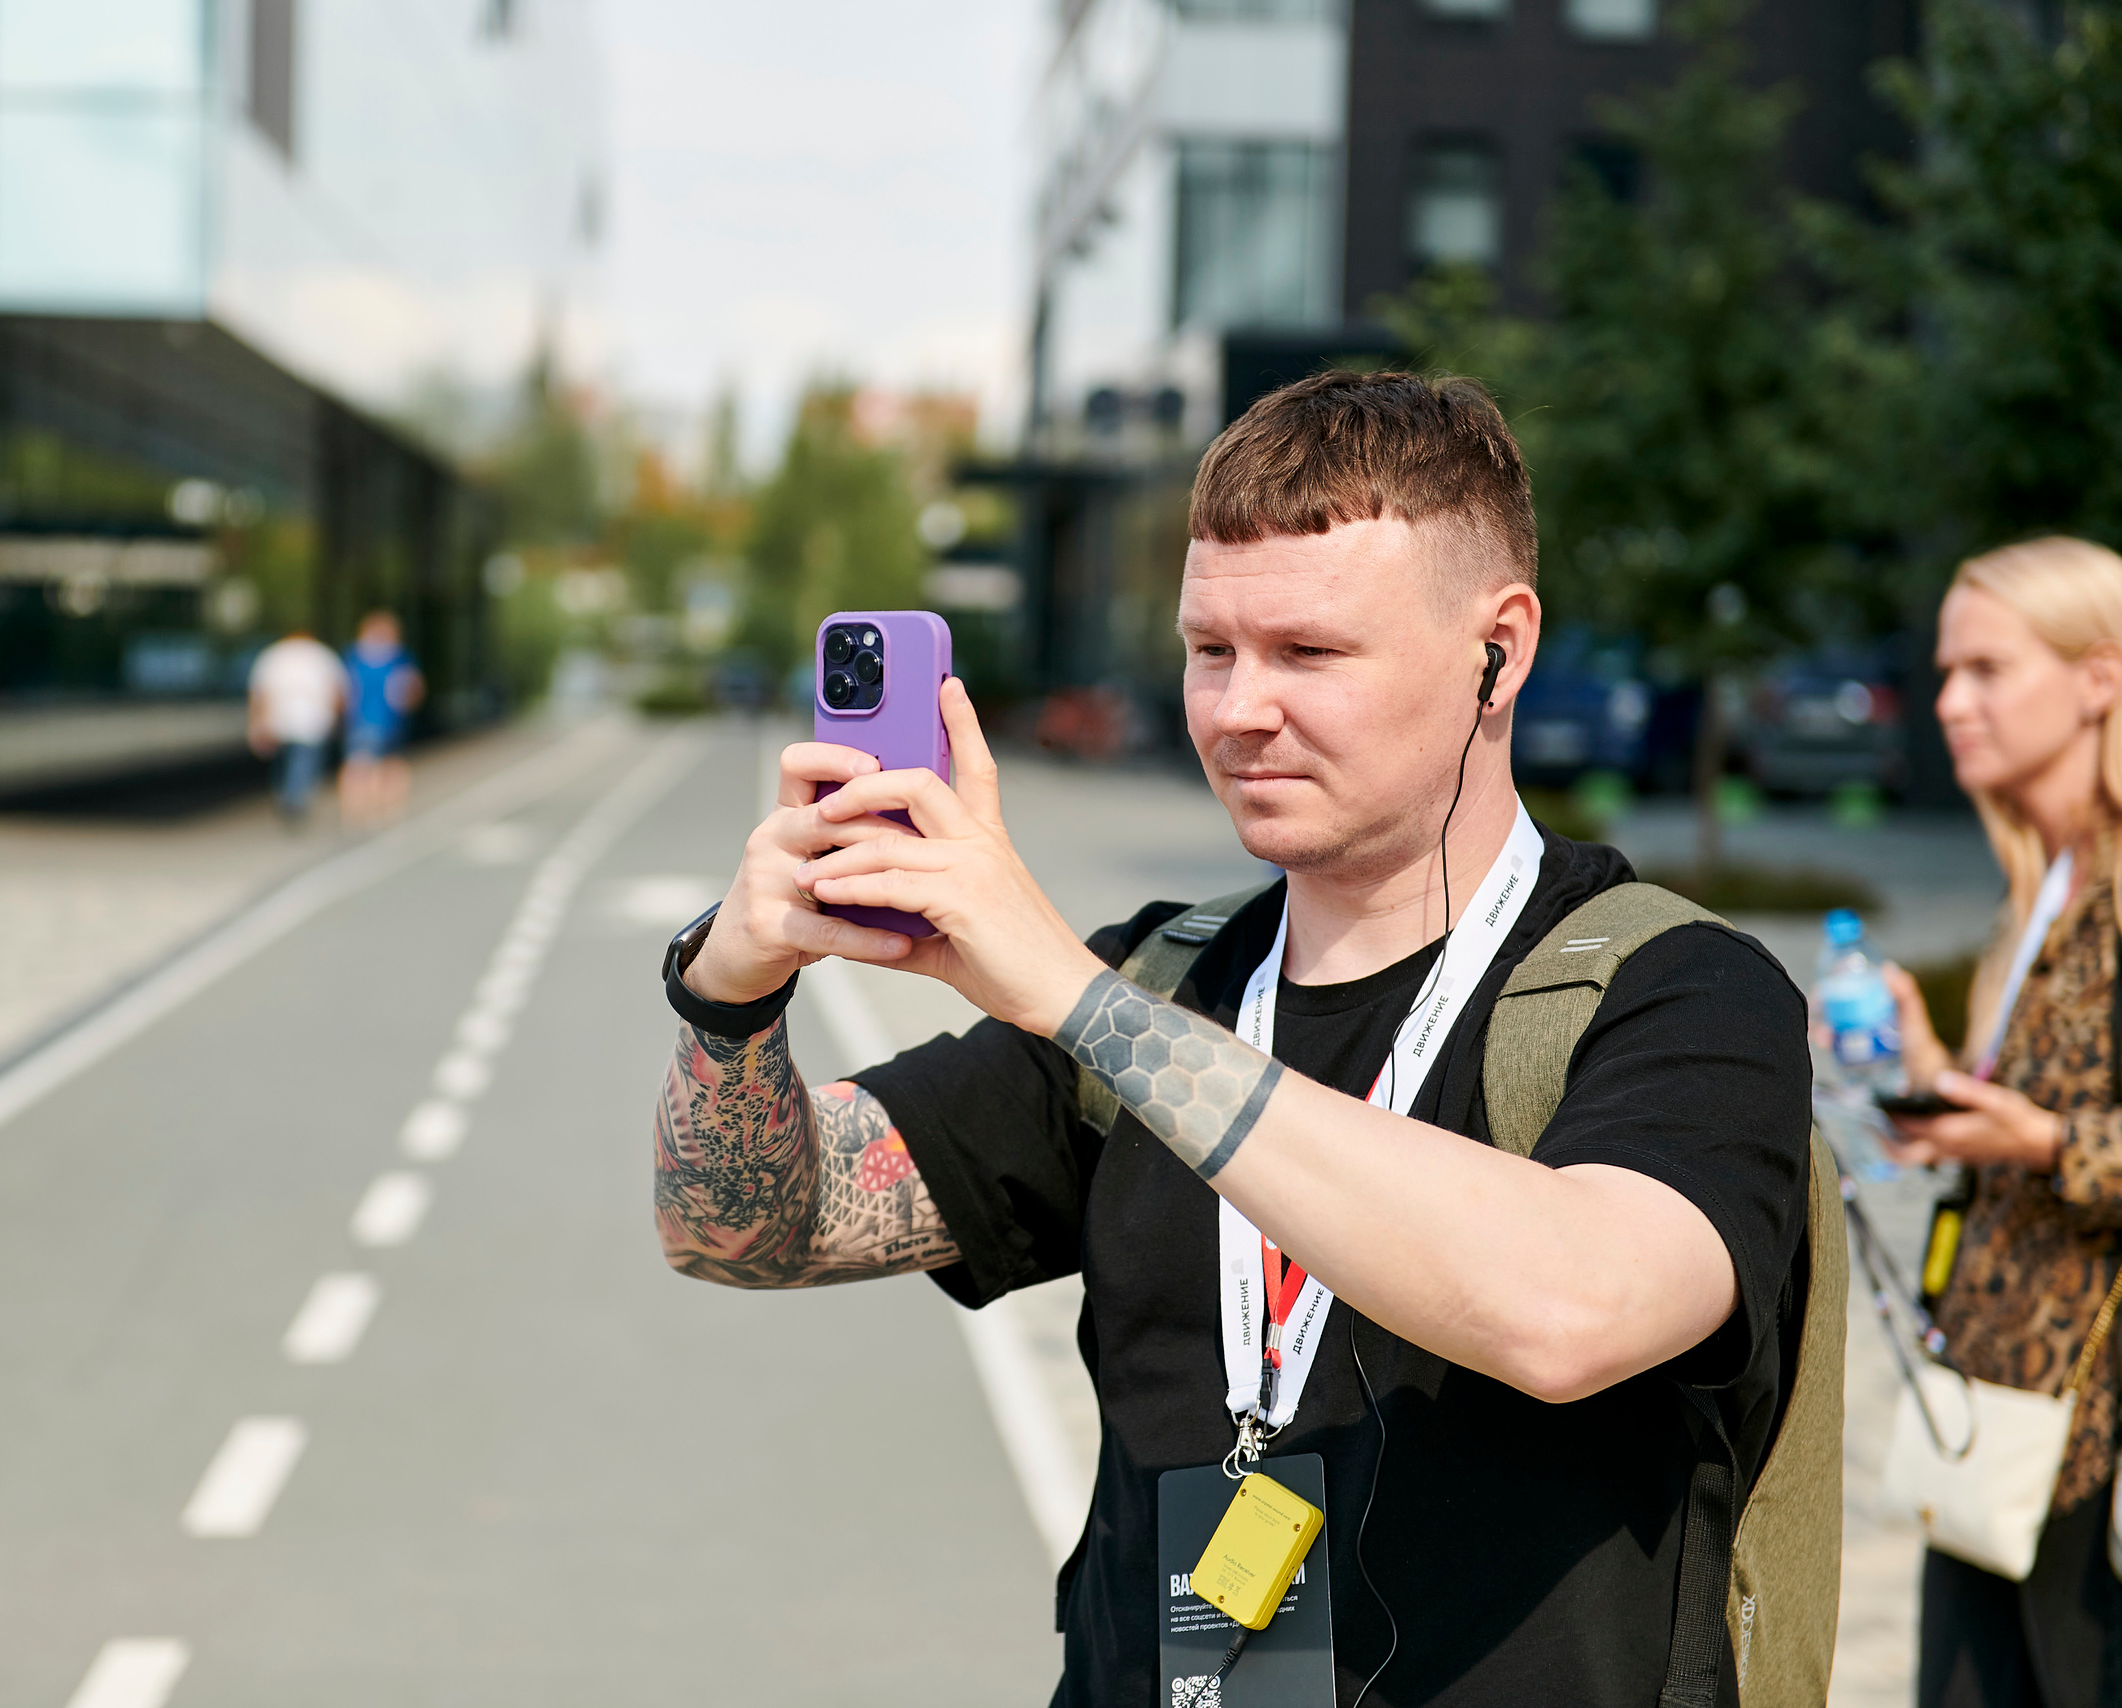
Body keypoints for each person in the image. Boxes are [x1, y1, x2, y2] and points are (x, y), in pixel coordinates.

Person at [649, 372, 1815, 1705]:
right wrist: (729, 996)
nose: (1237, 710)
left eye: (1310, 654)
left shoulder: (1680, 993)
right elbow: (745, 1230)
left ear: (1501, 649)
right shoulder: (1163, 974)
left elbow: (1572, 1311)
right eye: (1212, 650)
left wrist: (1080, 1002)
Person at [1885, 536, 2122, 1708]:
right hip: (1989, 1400)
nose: (1948, 701)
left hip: (2094, 1446)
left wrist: (2034, 1142)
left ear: (2099, 678)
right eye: (1943, 670)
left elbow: (2061, 1130)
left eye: (1986, 668)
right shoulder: (2038, 886)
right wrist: (1935, 1086)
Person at [247, 626, 346, 825]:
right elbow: (338, 691)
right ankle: (295, 800)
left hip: (279, 722)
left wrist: (257, 724)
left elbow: (259, 693)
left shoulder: (273, 655)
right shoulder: (322, 655)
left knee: (285, 764)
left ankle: (288, 797)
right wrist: (337, 720)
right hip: (313, 722)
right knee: (304, 764)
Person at [339, 610, 424, 827]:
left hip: (360, 721)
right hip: (390, 720)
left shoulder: (353, 657)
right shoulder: (399, 657)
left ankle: (358, 810)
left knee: (360, 766)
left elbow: (343, 692)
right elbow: (414, 690)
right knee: (389, 765)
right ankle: (388, 808)